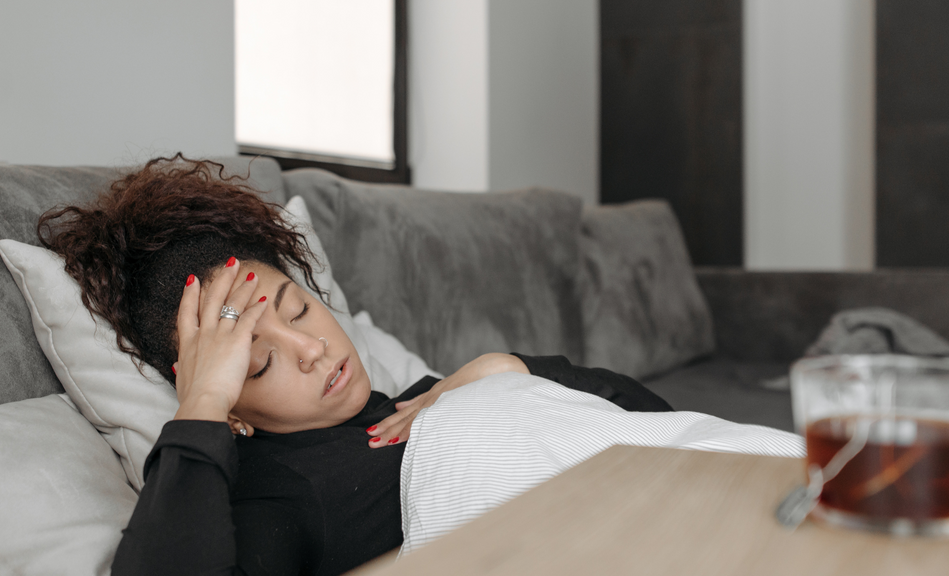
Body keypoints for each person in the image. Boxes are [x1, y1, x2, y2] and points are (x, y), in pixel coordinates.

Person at [39, 155, 672, 576]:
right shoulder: (285, 488)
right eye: (259, 365)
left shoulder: (426, 396)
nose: (313, 349)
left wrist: (505, 368)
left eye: (299, 310)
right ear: (229, 398)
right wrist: (201, 406)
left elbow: (657, 422)